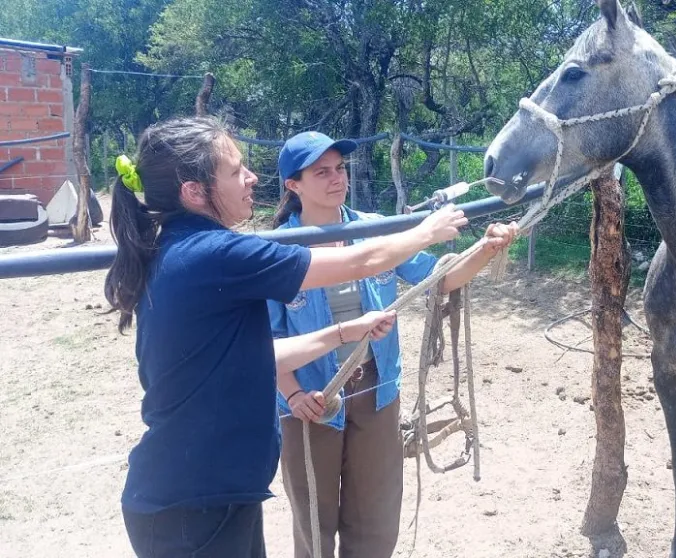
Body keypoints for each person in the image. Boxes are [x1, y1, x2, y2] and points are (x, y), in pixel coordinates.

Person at [103, 116, 469, 557]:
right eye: (236, 170)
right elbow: (361, 262)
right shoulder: (217, 254)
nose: (252, 177)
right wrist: (427, 230)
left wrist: (341, 333)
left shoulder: (184, 248)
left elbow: (260, 353)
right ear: (194, 192)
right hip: (194, 500)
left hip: (208, 487)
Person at [268, 131, 518, 558]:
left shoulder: (377, 231)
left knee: (376, 517)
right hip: (310, 400)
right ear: (294, 185)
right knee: (313, 521)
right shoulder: (277, 250)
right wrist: (292, 394)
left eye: (340, 168)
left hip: (376, 391)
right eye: (321, 172)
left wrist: (485, 249)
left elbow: (441, 278)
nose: (337, 178)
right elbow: (268, 339)